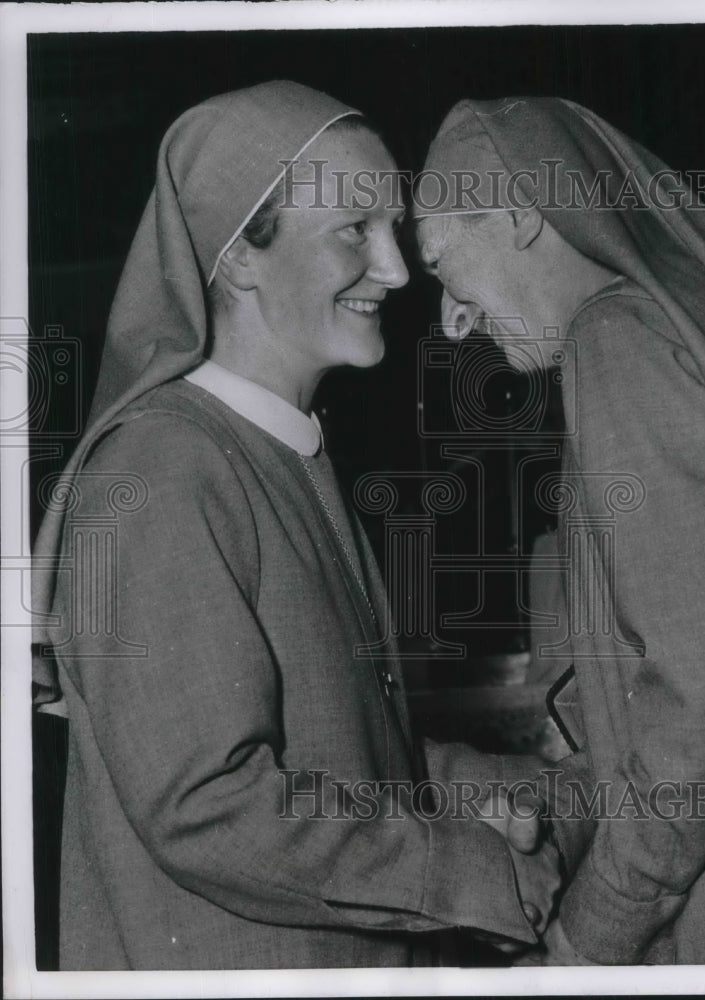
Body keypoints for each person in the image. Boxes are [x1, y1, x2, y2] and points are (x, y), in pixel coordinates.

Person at [30, 81, 569, 970]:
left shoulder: (283, 450)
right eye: (354, 229)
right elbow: (210, 804)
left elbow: (336, 741)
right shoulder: (166, 470)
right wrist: (475, 876)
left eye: (393, 229)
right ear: (240, 254)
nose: (397, 270)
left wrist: (503, 789)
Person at [415, 96, 705, 965]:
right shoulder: (687, 323)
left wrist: (594, 929)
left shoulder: (618, 342)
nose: (450, 319)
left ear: (518, 214)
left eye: (439, 264)